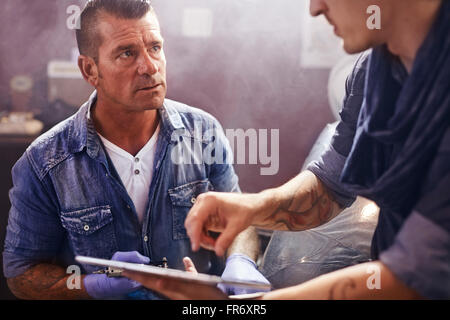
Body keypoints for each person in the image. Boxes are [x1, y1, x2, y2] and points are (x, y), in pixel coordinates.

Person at [124, 0, 450, 299]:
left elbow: (412, 278)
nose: (314, 9)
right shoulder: (372, 74)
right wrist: (253, 207)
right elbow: (329, 187)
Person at [2, 0, 268, 300]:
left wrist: (241, 262)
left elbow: (240, 222)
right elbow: (21, 275)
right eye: (127, 53)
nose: (150, 67)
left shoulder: (204, 133)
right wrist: (90, 285)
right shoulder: (44, 162)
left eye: (155, 47)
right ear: (90, 69)